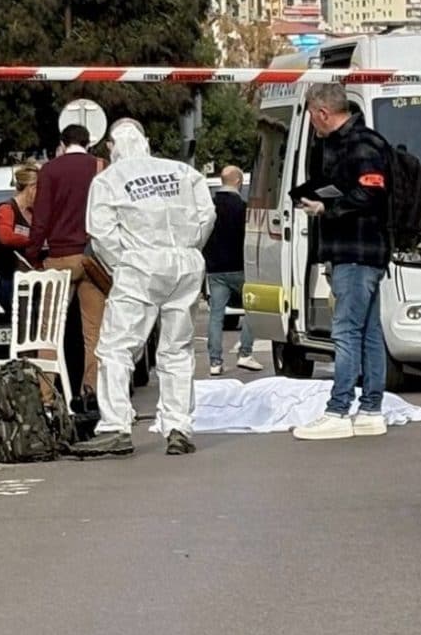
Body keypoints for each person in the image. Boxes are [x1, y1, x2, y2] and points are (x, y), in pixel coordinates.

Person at [71, 119, 216, 458]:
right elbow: (206, 216)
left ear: (111, 146)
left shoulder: (108, 180)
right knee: (177, 349)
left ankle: (115, 426)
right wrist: (188, 248)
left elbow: (101, 232)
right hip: (184, 263)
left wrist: (124, 264)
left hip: (139, 265)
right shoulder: (183, 173)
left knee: (116, 348)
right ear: (147, 140)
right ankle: (178, 425)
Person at [290, 83, 391, 442]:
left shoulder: (360, 145)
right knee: (369, 331)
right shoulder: (364, 142)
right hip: (365, 251)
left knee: (347, 331)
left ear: (321, 112)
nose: (313, 125)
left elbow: (370, 193)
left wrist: (325, 207)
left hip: (355, 251)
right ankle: (370, 410)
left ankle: (339, 409)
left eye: (312, 116)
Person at [28, 124, 105, 395]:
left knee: (49, 332)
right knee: (93, 333)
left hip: (59, 258)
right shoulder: (100, 167)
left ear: (62, 142)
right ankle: (91, 391)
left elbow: (41, 218)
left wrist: (33, 254)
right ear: (89, 143)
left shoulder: (49, 170)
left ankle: (46, 394)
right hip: (92, 258)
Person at [203, 165, 261, 376]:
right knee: (253, 310)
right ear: (238, 181)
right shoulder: (244, 209)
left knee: (216, 316)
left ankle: (215, 362)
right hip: (240, 267)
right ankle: (245, 352)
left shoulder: (210, 208)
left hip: (216, 269)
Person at [0, 163, 39, 312]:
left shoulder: (35, 213)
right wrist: (34, 239)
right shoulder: (6, 209)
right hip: (11, 279)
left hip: (33, 278)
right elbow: (5, 237)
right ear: (31, 188)